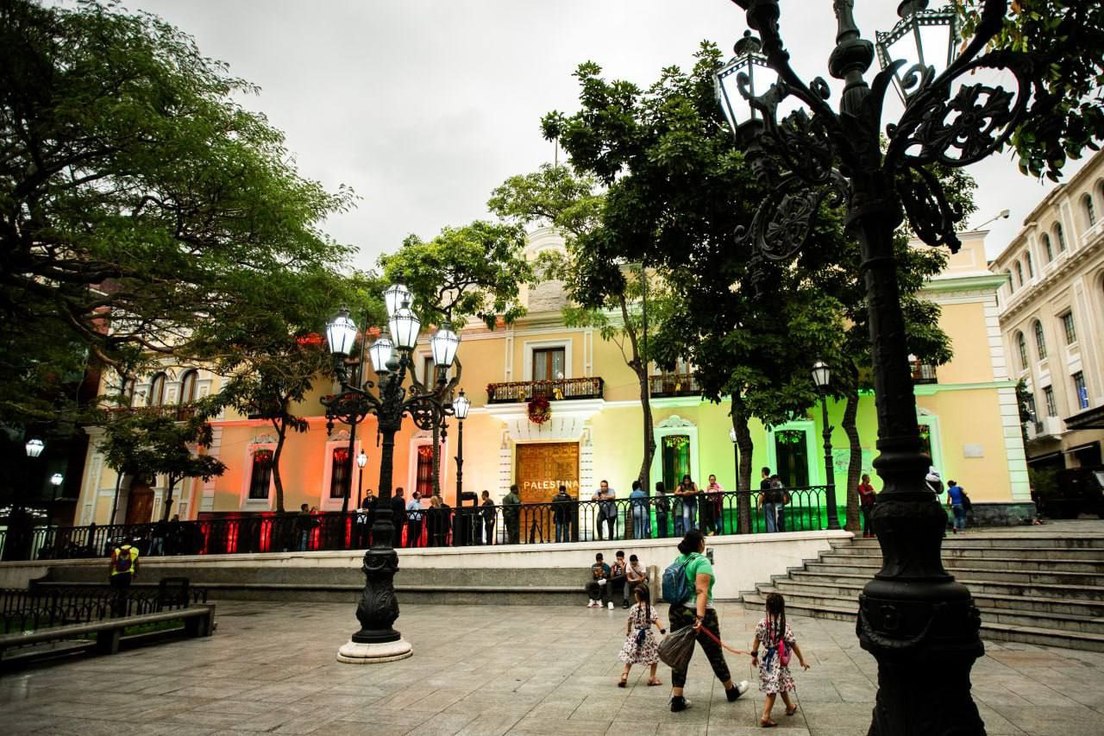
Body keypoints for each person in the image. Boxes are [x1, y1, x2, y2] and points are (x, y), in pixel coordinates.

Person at [667, 529, 749, 713]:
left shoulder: (679, 560)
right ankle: (730, 690)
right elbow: (701, 591)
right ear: (700, 543)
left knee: (680, 654)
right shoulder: (701, 561)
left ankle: (677, 698)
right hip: (700, 613)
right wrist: (701, 617)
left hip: (678, 612)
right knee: (714, 653)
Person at [750, 592, 810, 727]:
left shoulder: (762, 623)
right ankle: (765, 716)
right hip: (778, 660)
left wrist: (754, 656)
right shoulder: (783, 625)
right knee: (773, 688)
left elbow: (756, 640)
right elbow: (793, 644)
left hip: (766, 659)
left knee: (780, 682)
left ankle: (789, 706)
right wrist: (802, 660)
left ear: (767, 607)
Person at [618, 584, 666, 687]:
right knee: (654, 656)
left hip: (635, 634)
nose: (635, 595)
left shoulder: (634, 608)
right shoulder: (650, 608)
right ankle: (652, 677)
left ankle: (625, 675)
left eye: (636, 593)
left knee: (630, 655)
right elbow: (656, 620)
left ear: (638, 595)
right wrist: (662, 630)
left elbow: (629, 620)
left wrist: (628, 630)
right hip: (647, 635)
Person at [109, 539, 139, 616]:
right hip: (127, 574)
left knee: (115, 591)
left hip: (116, 574)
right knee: (124, 592)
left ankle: (114, 606)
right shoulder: (135, 550)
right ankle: (122, 610)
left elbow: (112, 563)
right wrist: (136, 573)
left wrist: (110, 574)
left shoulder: (116, 550)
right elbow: (137, 563)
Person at [857, 474, 877, 538]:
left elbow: (874, 493)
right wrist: (871, 491)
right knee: (867, 519)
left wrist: (873, 493)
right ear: (865, 479)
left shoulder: (870, 486)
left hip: (871, 505)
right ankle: (865, 533)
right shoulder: (860, 486)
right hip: (865, 506)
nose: (870, 479)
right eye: (869, 478)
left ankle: (872, 533)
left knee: (871, 519)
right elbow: (864, 493)